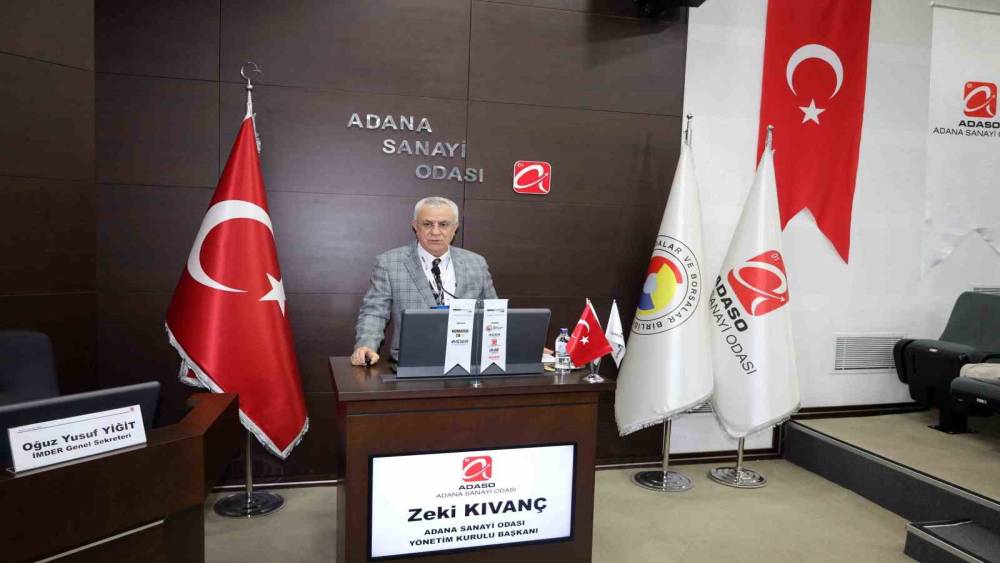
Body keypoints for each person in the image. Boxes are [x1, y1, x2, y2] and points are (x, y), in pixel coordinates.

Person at [351, 196, 498, 366]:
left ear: (455, 227)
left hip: (468, 361)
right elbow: (374, 312)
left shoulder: (476, 263)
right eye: (427, 224)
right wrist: (366, 345)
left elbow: (494, 313)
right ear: (415, 226)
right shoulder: (390, 263)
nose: (435, 232)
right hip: (411, 361)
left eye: (443, 224)